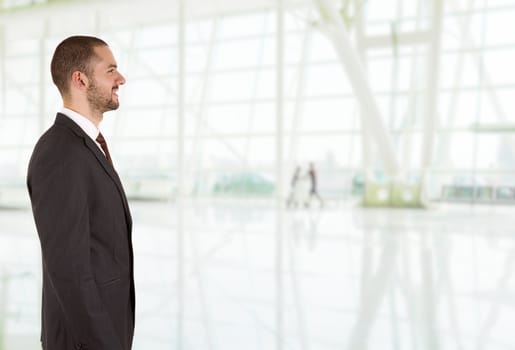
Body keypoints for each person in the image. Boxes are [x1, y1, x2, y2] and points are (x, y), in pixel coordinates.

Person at [26, 36, 135, 350]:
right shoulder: (60, 152)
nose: (121, 79)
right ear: (80, 79)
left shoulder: (85, 147)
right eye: (110, 70)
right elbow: (70, 270)